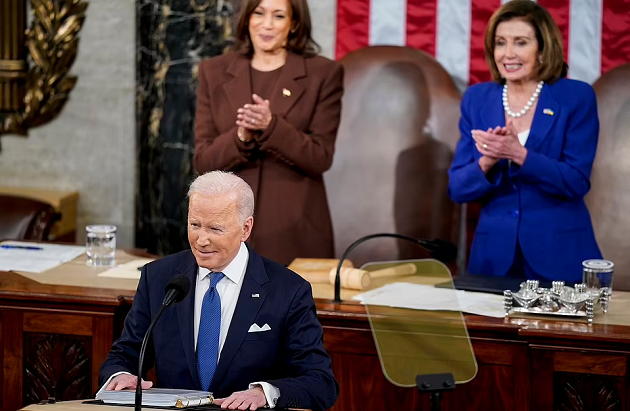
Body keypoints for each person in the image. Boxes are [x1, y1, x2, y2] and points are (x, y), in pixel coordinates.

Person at [98, 171, 338, 411]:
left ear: (245, 228)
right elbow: (125, 354)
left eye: (215, 229)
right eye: (195, 225)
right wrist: (119, 376)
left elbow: (321, 383)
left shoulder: (289, 290)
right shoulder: (158, 277)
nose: (201, 240)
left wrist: (264, 394)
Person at [448, 0, 602, 282]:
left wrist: (520, 155)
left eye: (520, 42)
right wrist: (488, 160)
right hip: (492, 260)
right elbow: (457, 188)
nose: (508, 54)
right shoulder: (477, 99)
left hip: (558, 256)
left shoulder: (575, 97)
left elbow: (577, 181)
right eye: (500, 43)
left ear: (542, 50)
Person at [194, 0, 343, 266]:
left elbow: (320, 157)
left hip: (295, 230)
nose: (267, 24)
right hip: (226, 230)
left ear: (294, 23)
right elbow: (204, 161)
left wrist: (271, 126)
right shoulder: (213, 72)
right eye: (259, 13)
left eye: (278, 16)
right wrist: (241, 136)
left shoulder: (323, 73)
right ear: (247, 18)